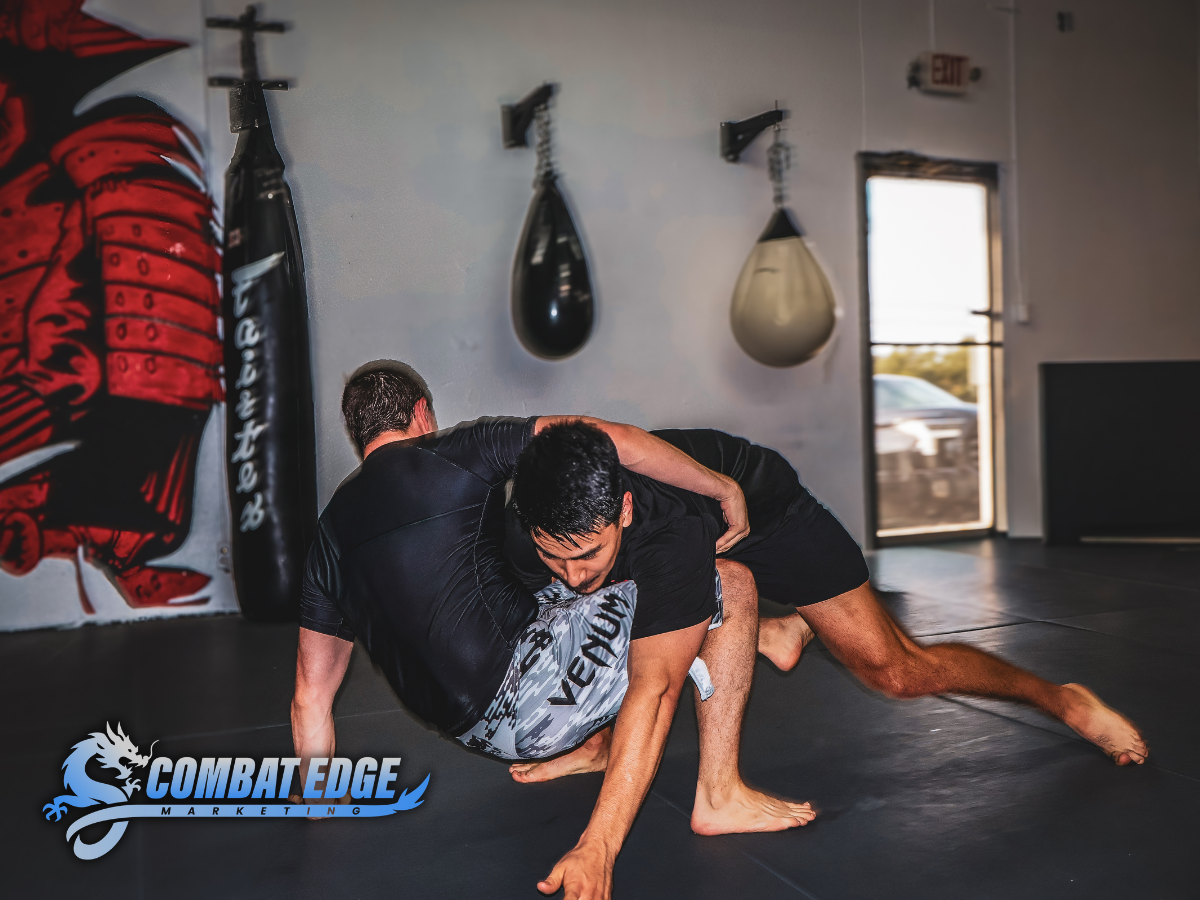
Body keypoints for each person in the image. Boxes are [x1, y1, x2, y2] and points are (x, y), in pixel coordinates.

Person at [506, 421, 1150, 893]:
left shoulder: (665, 528)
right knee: (605, 604)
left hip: (769, 513)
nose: (568, 573)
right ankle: (750, 648)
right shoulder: (533, 507)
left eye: (584, 554)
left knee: (894, 670)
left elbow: (656, 689)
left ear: (621, 511)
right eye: (551, 556)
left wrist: (598, 847)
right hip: (688, 541)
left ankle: (1061, 698)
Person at [290, 361, 814, 900]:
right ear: (423, 414)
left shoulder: (328, 534)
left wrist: (320, 822)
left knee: (564, 570)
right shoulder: (456, 451)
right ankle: (720, 795)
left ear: (359, 438)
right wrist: (722, 485)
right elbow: (610, 441)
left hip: (467, 725)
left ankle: (743, 649)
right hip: (529, 702)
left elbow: (310, 697)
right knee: (724, 580)